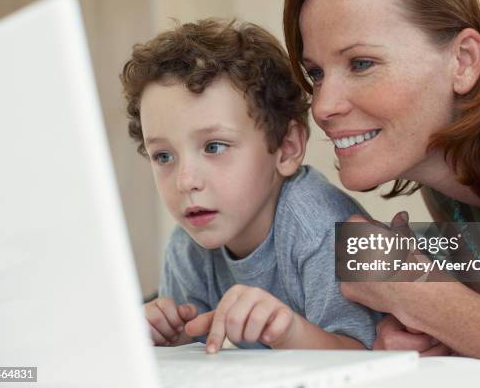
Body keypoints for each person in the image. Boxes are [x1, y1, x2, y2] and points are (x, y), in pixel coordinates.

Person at [283, 0, 480, 366]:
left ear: (463, 59)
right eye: (316, 73)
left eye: (361, 64)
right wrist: (432, 333)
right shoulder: (446, 183)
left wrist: (425, 300)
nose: (322, 107)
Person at [120, 19, 380, 353]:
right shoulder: (188, 246)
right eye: (163, 156)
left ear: (286, 148)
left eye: (214, 147)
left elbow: (372, 360)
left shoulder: (322, 232)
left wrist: (288, 334)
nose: (186, 181)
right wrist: (170, 336)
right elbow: (201, 355)